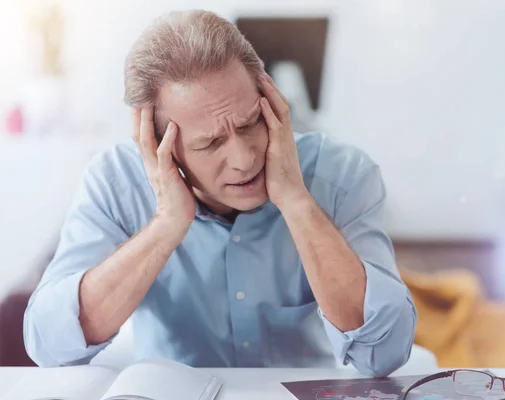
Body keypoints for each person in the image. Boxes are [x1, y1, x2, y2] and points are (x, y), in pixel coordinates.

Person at [23, 10, 416, 377]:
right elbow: (51, 346)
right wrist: (167, 225)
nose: (244, 160)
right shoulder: (115, 182)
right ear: (160, 146)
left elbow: (382, 353)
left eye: (249, 124)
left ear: (273, 103)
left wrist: (296, 200)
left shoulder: (344, 175)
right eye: (209, 144)